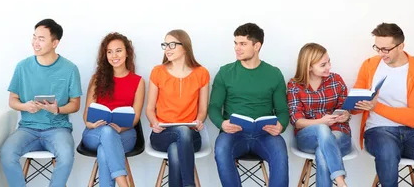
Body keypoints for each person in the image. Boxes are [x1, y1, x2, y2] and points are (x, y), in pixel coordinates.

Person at [354, 22, 414, 187]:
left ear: (401, 46)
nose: (381, 53)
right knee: (388, 154)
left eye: (386, 49)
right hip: (377, 131)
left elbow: (413, 117)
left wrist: (376, 107)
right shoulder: (370, 65)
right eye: (377, 48)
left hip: (413, 132)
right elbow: (357, 101)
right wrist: (350, 108)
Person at [0, 19, 82, 187]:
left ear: (55, 43)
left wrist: (57, 109)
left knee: (66, 155)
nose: (35, 43)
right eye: (34, 37)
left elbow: (75, 104)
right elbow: (12, 100)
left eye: (41, 39)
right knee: (7, 153)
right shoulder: (22, 67)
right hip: (27, 128)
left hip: (58, 129)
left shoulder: (70, 69)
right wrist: (25, 106)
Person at [209, 22, 289, 187]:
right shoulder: (225, 73)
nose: (237, 48)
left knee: (280, 151)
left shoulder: (274, 74)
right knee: (221, 149)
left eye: (243, 44)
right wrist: (222, 124)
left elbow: (282, 110)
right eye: (236, 43)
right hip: (233, 134)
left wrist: (281, 126)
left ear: (257, 46)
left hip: (265, 134)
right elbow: (214, 107)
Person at [145, 29, 209, 187]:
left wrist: (199, 121)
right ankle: (189, 184)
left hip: (191, 136)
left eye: (172, 44)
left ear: (185, 47)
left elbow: (202, 111)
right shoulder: (158, 72)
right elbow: (149, 109)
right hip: (162, 135)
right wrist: (154, 122)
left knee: (176, 147)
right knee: (181, 131)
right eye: (165, 45)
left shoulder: (201, 73)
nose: (167, 48)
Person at [81, 32, 145, 187]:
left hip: (126, 132)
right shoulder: (97, 78)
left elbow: (135, 117)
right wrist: (90, 124)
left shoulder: (138, 81)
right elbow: (86, 114)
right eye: (109, 52)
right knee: (107, 132)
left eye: (118, 50)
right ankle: (123, 183)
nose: (114, 55)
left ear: (127, 53)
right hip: (94, 132)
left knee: (104, 150)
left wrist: (122, 127)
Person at [287, 43, 351, 187]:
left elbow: (345, 109)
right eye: (323, 65)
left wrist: (346, 115)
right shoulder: (294, 85)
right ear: (309, 66)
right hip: (308, 137)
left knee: (322, 153)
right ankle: (340, 181)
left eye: (329, 62)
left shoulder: (336, 80)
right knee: (322, 128)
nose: (329, 67)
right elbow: (296, 121)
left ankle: (339, 180)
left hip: (339, 134)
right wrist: (321, 121)